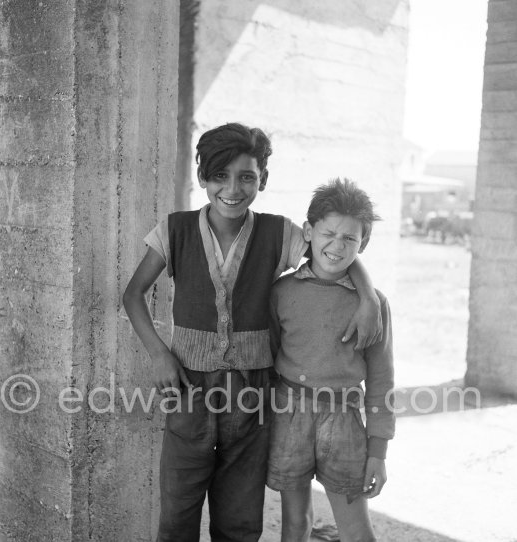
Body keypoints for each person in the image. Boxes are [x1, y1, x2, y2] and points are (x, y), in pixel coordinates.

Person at [123, 123, 382, 542]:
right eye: (220, 176)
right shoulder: (175, 230)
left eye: (247, 176)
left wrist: (368, 297)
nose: (232, 188)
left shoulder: (277, 233)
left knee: (240, 516)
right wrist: (158, 353)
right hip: (189, 389)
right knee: (178, 509)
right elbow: (133, 294)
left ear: (263, 179)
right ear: (203, 177)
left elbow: (333, 249)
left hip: (254, 397)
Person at [267, 178, 395, 542]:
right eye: (328, 233)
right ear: (308, 232)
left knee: (356, 530)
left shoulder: (374, 306)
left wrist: (378, 452)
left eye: (350, 239)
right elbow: (274, 354)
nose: (336, 246)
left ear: (363, 244)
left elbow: (382, 383)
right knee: (295, 524)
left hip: (345, 423)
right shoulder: (282, 292)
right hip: (288, 415)